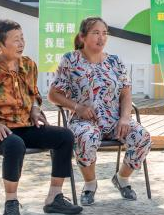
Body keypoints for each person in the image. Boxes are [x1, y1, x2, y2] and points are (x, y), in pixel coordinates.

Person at [0, 19, 79, 215]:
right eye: (15, 40)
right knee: (14, 143)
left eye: (22, 38)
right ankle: (11, 202)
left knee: (64, 136)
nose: (21, 43)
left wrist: (35, 109)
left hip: (23, 126)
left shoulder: (28, 65)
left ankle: (54, 197)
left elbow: (34, 96)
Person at [46, 17, 152, 205]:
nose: (101, 38)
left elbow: (126, 93)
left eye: (104, 33)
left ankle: (122, 179)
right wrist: (77, 107)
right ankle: (90, 184)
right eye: (96, 33)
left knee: (142, 137)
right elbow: (53, 95)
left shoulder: (114, 61)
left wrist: (125, 118)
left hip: (115, 121)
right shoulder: (70, 60)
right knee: (86, 138)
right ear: (83, 37)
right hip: (84, 121)